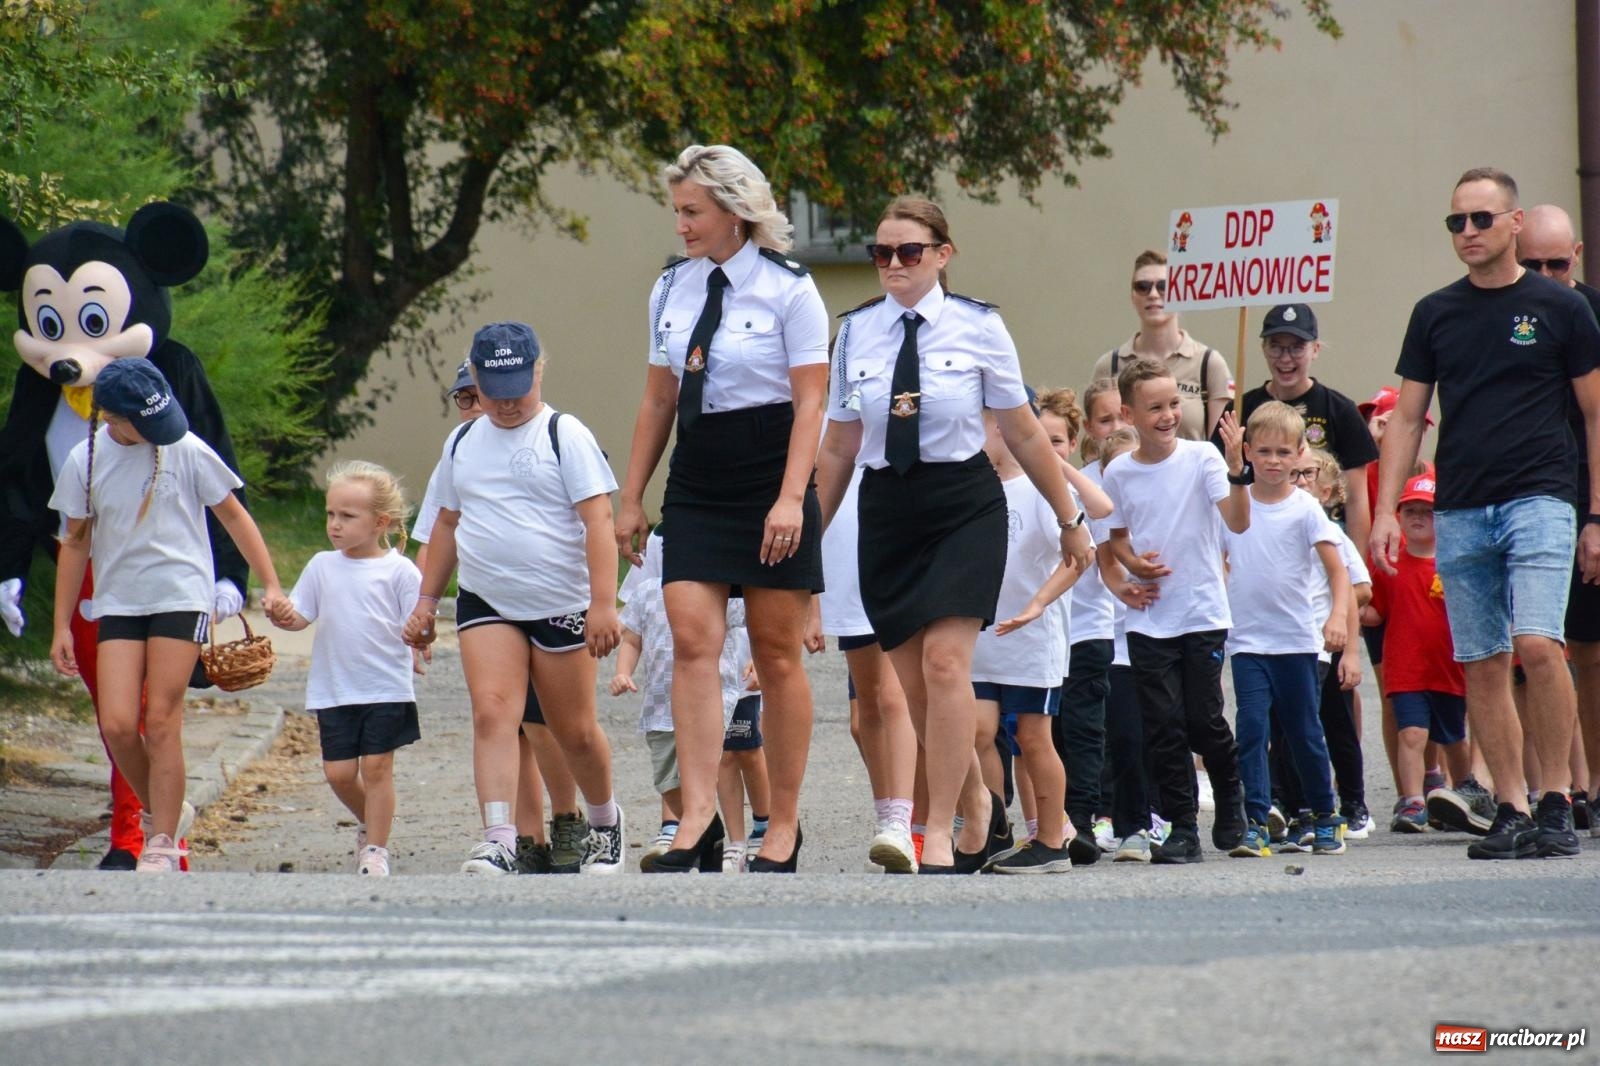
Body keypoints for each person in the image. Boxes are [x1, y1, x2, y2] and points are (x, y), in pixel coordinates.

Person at [815, 196, 1092, 873]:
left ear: (942, 255)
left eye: (909, 251)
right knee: (911, 687)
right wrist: (803, 531)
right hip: (888, 508)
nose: (893, 265)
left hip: (962, 504)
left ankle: (937, 830)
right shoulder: (856, 332)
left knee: (945, 666)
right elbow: (841, 446)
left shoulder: (979, 327)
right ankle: (975, 794)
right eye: (881, 253)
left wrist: (1069, 519)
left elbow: (1024, 431)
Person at [1373, 167, 1600, 860]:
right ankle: (1509, 804)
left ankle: (1558, 799)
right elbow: (1409, 416)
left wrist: (1596, 515)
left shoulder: (1562, 309)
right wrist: (1385, 511)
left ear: (1514, 223)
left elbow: (1594, 413)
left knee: (1540, 644)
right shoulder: (1435, 313)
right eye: (1456, 222)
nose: (1467, 232)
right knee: (1483, 660)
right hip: (1462, 505)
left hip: (1541, 497)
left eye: (1480, 219)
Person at [615, 145, 826, 874]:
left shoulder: (789, 289)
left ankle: (784, 825)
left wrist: (792, 497)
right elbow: (658, 397)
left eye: (692, 212)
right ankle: (699, 814)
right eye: (677, 211)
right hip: (699, 474)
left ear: (736, 213)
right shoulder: (669, 288)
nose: (681, 226)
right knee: (691, 639)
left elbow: (812, 401)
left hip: (772, 467)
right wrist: (630, 495)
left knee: (774, 652)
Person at [403, 322, 625, 875]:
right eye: (494, 390)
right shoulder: (460, 443)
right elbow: (448, 523)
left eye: (518, 388)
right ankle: (500, 836)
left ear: (540, 372)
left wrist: (604, 603)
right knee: (493, 714)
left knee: (573, 730)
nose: (505, 404)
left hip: (560, 602)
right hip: (488, 600)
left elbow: (598, 521)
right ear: (476, 378)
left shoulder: (563, 434)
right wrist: (429, 600)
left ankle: (604, 823)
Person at [47, 358, 285, 873]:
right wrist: (62, 624)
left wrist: (268, 583)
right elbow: (75, 543)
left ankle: (161, 842)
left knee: (160, 719)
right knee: (115, 724)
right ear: (109, 417)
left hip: (180, 596)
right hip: (119, 602)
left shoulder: (186, 448)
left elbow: (235, 516)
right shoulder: (84, 460)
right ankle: (163, 811)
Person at [1098, 357, 1249, 863]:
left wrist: (1237, 470)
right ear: (1128, 413)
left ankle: (1231, 792)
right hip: (1150, 618)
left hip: (1202, 612)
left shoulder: (1202, 458)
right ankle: (1183, 828)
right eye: (1155, 407)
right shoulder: (1119, 472)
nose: (1168, 415)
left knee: (1203, 721)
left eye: (1174, 404)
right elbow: (1115, 538)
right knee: (1163, 726)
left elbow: (1238, 521)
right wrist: (1131, 567)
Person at [266, 461, 420, 876]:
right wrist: (282, 614)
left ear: (380, 522)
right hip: (334, 688)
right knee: (338, 773)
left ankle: (376, 850)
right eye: (331, 514)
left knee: (376, 768)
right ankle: (372, 822)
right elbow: (301, 616)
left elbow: (416, 623)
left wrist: (420, 644)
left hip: (385, 686)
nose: (335, 525)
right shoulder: (322, 565)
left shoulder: (400, 570)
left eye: (347, 516)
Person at [1221, 402, 1351, 859]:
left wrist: (1336, 618)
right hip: (1249, 642)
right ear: (1248, 451)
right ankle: (1256, 821)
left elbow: (1338, 573)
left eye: (1283, 452)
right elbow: (1219, 559)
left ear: (1300, 454)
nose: (1273, 461)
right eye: (1264, 451)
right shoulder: (1234, 504)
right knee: (1252, 729)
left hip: (1297, 640)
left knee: (1304, 732)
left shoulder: (1306, 510)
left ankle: (1325, 814)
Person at [1517, 203, 1600, 833]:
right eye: (1531, 263)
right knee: (1554, 647)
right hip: (1538, 497)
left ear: (1576, 254)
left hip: (1590, 497)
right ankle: (1564, 789)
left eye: (1556, 261)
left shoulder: (1592, 313)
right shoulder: (1505, 312)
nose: (1544, 274)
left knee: (1591, 652)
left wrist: (1597, 514)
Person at [975, 408, 1084, 873]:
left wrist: (1038, 604)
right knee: (977, 732)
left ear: (1004, 429)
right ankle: (993, 828)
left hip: (1031, 638)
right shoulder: (977, 491)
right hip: (982, 636)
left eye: (978, 426)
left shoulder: (1043, 490)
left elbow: (1081, 556)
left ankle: (1052, 839)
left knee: (1032, 736)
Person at [610, 525, 751, 872]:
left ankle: (711, 830)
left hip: (710, 703)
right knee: (666, 780)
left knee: (707, 770)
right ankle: (708, 827)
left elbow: (748, 624)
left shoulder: (717, 591)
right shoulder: (645, 594)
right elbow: (631, 639)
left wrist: (755, 662)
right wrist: (622, 671)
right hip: (659, 706)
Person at [818, 464, 919, 872]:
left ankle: (909, 819)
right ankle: (889, 816)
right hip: (847, 573)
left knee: (900, 700)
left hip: (899, 552)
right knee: (866, 713)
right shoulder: (829, 410)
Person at [1364, 474, 1475, 832]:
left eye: (1425, 511)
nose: (1416, 517)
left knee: (1454, 738)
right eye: (1409, 510)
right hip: (1406, 670)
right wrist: (1343, 605)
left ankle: (1464, 794)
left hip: (1448, 671)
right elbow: (1375, 612)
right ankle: (1411, 801)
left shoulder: (1452, 564)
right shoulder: (1389, 565)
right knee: (1411, 734)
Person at [1221, 304, 1379, 556]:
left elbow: (1357, 499)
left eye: (1296, 347)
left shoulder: (1340, 410)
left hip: (1318, 545)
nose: (1285, 358)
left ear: (1315, 349)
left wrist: (1357, 572)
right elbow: (1219, 485)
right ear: (1263, 348)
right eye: (1276, 346)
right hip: (1254, 543)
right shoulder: (1240, 408)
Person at [1090, 250, 1230, 442]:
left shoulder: (1208, 363)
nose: (1154, 294)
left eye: (1164, 286)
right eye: (1143, 287)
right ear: (1132, 296)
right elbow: (1098, 440)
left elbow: (1220, 447)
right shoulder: (1110, 365)